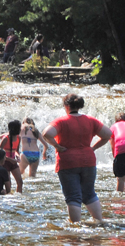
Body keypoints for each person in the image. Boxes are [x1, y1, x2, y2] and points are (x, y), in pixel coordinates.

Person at [42, 93, 112, 223]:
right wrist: (93, 148)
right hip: (88, 160)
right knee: (89, 193)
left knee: (73, 196)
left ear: (66, 106)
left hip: (68, 161)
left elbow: (46, 133)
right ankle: (99, 221)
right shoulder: (91, 120)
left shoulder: (61, 121)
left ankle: (76, 227)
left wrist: (57, 146)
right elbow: (108, 134)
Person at [0, 120, 23, 193]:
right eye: (19, 128)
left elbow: (16, 150)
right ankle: (8, 199)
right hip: (4, 163)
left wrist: (18, 156)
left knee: (20, 182)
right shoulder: (5, 139)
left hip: (13, 162)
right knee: (8, 184)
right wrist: (10, 159)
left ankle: (19, 197)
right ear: (15, 129)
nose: (20, 129)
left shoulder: (18, 138)